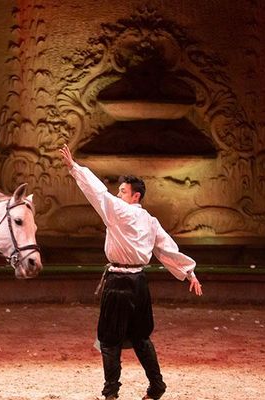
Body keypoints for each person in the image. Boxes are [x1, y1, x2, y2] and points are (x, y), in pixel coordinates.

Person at [59, 144, 203, 400]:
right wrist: (190, 272)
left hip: (119, 283)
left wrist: (74, 168)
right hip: (139, 284)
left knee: (109, 340)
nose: (119, 194)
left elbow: (98, 193)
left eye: (123, 191)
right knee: (141, 338)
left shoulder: (119, 211)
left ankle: (111, 393)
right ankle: (156, 386)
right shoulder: (150, 220)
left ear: (135, 196)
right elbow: (167, 249)